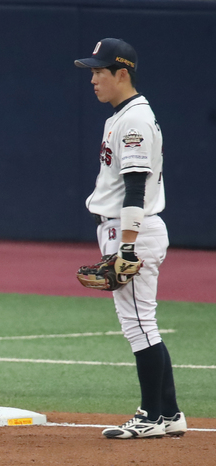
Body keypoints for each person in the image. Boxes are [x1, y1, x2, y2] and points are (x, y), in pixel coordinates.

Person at [74, 38, 187, 439]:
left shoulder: (134, 120)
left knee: (140, 325)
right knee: (141, 323)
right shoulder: (123, 116)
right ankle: (168, 413)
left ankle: (153, 415)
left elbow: (136, 187)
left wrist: (125, 247)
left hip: (132, 232)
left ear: (122, 74)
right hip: (127, 230)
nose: (92, 79)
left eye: (99, 72)